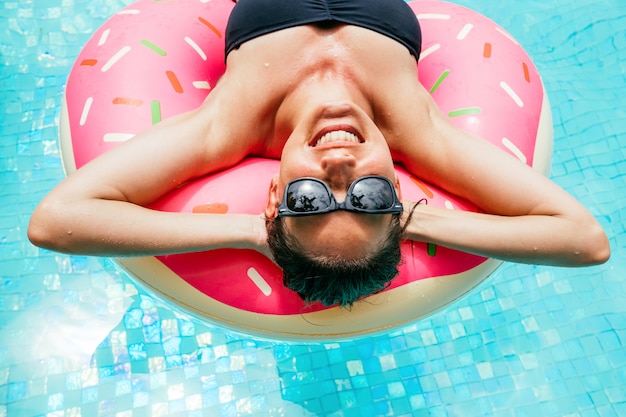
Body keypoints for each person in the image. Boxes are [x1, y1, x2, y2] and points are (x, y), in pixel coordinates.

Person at [28, 0, 610, 307]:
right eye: (369, 197)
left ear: (275, 195)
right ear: (399, 198)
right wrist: (411, 222)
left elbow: (57, 222)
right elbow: (585, 240)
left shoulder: (224, 129)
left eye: (308, 200)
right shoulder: (423, 136)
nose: (340, 169)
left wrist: (251, 233)